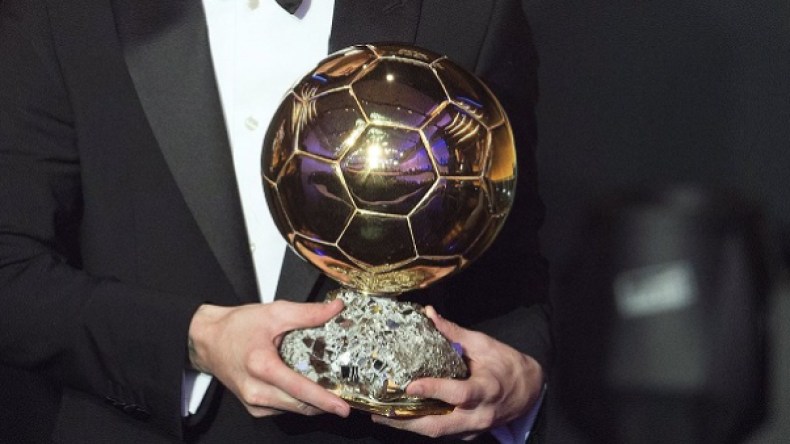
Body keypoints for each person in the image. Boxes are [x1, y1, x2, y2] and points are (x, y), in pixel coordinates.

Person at [0, 0, 551, 442]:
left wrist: (522, 378)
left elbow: (514, 269)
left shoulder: (470, 13)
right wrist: (195, 339)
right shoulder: (64, 14)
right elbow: (12, 270)